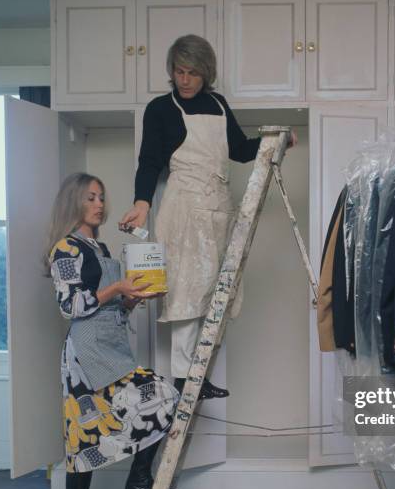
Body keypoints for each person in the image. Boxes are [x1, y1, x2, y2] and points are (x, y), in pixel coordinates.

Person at [119, 34, 296, 400]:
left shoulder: (217, 104)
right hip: (183, 208)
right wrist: (141, 203)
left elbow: (241, 150)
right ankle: (184, 377)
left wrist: (278, 141)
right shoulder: (160, 109)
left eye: (192, 73)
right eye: (178, 71)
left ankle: (197, 374)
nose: (184, 80)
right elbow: (149, 161)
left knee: (212, 293)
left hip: (217, 209)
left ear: (206, 74)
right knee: (185, 291)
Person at [46, 172, 182, 489]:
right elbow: (70, 306)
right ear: (74, 201)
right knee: (82, 441)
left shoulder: (101, 249)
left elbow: (108, 308)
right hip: (84, 353)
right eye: (91, 197)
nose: (99, 204)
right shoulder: (65, 250)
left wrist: (129, 300)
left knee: (158, 398)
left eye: (102, 197)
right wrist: (116, 288)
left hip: (110, 343)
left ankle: (132, 482)